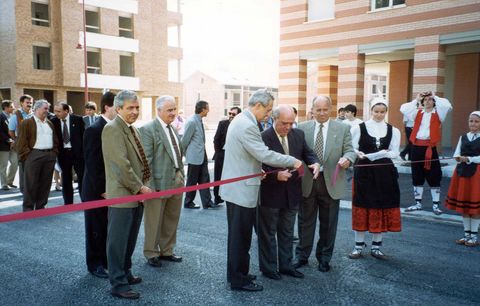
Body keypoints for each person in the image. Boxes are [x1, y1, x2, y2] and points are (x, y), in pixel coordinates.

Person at [220, 89, 302, 292]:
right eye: (267, 110)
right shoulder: (247, 125)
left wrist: (257, 171)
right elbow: (263, 153)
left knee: (241, 236)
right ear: (257, 105)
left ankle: (239, 273)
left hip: (239, 188)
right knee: (240, 238)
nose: (268, 114)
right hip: (241, 191)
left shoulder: (242, 120)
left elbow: (248, 156)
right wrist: (293, 161)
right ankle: (238, 280)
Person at [294, 95, 356, 273]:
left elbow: (350, 150)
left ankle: (324, 258)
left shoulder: (343, 128)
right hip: (308, 181)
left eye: (325, 109)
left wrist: (348, 159)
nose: (321, 113)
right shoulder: (302, 128)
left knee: (328, 223)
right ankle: (302, 257)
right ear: (312, 110)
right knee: (305, 222)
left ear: (331, 109)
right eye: (318, 109)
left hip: (332, 181)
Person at [258, 105, 319, 280]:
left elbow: (308, 154)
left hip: (292, 192)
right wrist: (275, 175)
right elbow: (259, 164)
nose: (288, 127)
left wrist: (314, 163)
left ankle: (286, 265)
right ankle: (269, 268)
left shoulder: (298, 134)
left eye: (291, 123)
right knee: (268, 233)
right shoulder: (263, 138)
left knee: (286, 232)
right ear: (274, 119)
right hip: (271, 192)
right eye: (284, 123)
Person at [102, 90, 152, 300]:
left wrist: (142, 188)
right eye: (130, 108)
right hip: (123, 195)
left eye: (137, 107)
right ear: (118, 108)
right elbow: (120, 165)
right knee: (118, 241)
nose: (134, 111)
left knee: (130, 239)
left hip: (136, 194)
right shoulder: (113, 129)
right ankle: (118, 284)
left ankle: (126, 272)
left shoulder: (132, 129)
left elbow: (140, 160)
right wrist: (140, 188)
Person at [348, 97, 402, 259]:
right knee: (362, 205)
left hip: (385, 173)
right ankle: (358, 246)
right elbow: (351, 147)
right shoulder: (359, 128)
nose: (379, 115)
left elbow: (395, 152)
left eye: (382, 112)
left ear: (386, 112)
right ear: (370, 111)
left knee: (381, 205)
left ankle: (376, 246)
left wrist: (383, 154)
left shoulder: (394, 130)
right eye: (376, 111)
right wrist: (359, 153)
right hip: (364, 172)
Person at [139, 95, 185, 268]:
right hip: (157, 184)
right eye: (169, 110)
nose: (173, 113)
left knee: (171, 218)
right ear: (158, 110)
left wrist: (181, 175)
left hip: (176, 181)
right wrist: (149, 186)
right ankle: (151, 252)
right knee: (154, 220)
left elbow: (177, 154)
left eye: (174, 109)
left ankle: (167, 250)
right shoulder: (148, 129)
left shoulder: (172, 128)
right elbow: (146, 161)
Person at [82, 91, 117, 279]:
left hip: (110, 188)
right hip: (97, 190)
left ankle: (105, 261)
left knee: (106, 228)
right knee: (95, 228)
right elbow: (93, 163)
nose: (120, 111)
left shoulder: (113, 128)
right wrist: (103, 190)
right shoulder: (95, 130)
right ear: (107, 107)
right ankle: (94, 264)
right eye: (117, 107)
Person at [402, 91, 452, 215]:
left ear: (434, 102)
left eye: (430, 100)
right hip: (416, 147)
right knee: (417, 175)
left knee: (434, 175)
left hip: (430, 147)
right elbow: (403, 109)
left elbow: (447, 105)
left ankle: (435, 205)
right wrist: (417, 99)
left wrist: (434, 95)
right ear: (422, 102)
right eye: (426, 100)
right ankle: (418, 203)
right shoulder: (417, 113)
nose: (428, 101)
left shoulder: (439, 114)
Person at [445, 111, 480, 247]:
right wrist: (458, 157)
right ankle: (466, 235)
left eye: (476, 121)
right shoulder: (463, 137)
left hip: (477, 174)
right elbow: (457, 153)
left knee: (475, 207)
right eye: (471, 121)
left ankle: (474, 237)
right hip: (462, 173)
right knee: (465, 206)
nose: (473, 124)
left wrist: (469, 158)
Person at [16, 100, 58, 211]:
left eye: (48, 109)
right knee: (31, 183)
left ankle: (41, 206)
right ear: (37, 109)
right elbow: (21, 141)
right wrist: (28, 156)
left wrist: (54, 153)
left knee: (46, 183)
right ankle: (28, 208)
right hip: (34, 155)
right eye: (45, 108)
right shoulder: (27, 122)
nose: (47, 111)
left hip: (49, 156)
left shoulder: (49, 123)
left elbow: (55, 140)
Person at [181, 100, 217, 209]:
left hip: (202, 155)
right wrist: (184, 155)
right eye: (207, 108)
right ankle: (188, 202)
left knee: (204, 179)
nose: (209, 110)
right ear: (202, 109)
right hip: (194, 157)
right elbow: (184, 141)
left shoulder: (199, 120)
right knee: (192, 181)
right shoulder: (192, 121)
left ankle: (207, 202)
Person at [51, 102, 85, 204]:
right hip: (63, 154)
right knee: (66, 178)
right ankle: (68, 202)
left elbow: (84, 136)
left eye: (59, 111)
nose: (56, 113)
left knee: (82, 176)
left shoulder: (78, 120)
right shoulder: (54, 122)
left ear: (66, 111)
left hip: (77, 153)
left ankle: (84, 201)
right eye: (55, 111)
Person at [213, 106, 241, 204]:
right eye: (229, 113)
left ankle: (232, 198)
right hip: (221, 155)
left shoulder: (241, 126)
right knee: (218, 177)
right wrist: (218, 153)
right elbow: (216, 139)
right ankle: (217, 198)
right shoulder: (222, 124)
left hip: (234, 156)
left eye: (233, 114)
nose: (230, 116)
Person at [8, 94, 33, 193]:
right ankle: (24, 189)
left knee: (33, 166)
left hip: (34, 145)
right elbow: (11, 131)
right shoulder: (16, 115)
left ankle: (31, 187)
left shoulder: (34, 114)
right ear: (22, 103)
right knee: (23, 167)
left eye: (31, 102)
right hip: (22, 146)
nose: (29, 104)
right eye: (27, 102)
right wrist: (18, 140)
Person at [0, 101, 18, 190]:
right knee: (3, 165)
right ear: (6, 107)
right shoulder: (0, 117)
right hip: (3, 145)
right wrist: (9, 141)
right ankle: (4, 184)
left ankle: (9, 181)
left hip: (14, 145)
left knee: (15, 163)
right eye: (11, 107)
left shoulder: (13, 117)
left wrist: (15, 141)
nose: (13, 108)